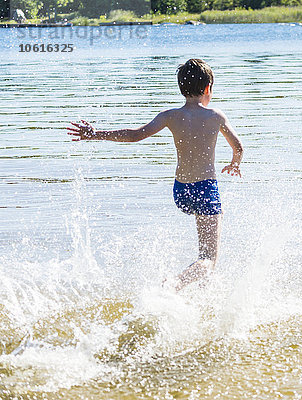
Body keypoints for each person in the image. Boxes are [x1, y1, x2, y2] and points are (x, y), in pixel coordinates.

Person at [67, 59, 244, 291]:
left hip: (181, 192)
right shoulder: (215, 117)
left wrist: (96, 134)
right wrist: (234, 164)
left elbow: (134, 135)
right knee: (208, 259)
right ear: (208, 88)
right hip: (204, 190)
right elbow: (239, 147)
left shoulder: (169, 115)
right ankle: (175, 284)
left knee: (203, 260)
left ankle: (201, 296)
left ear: (181, 88)